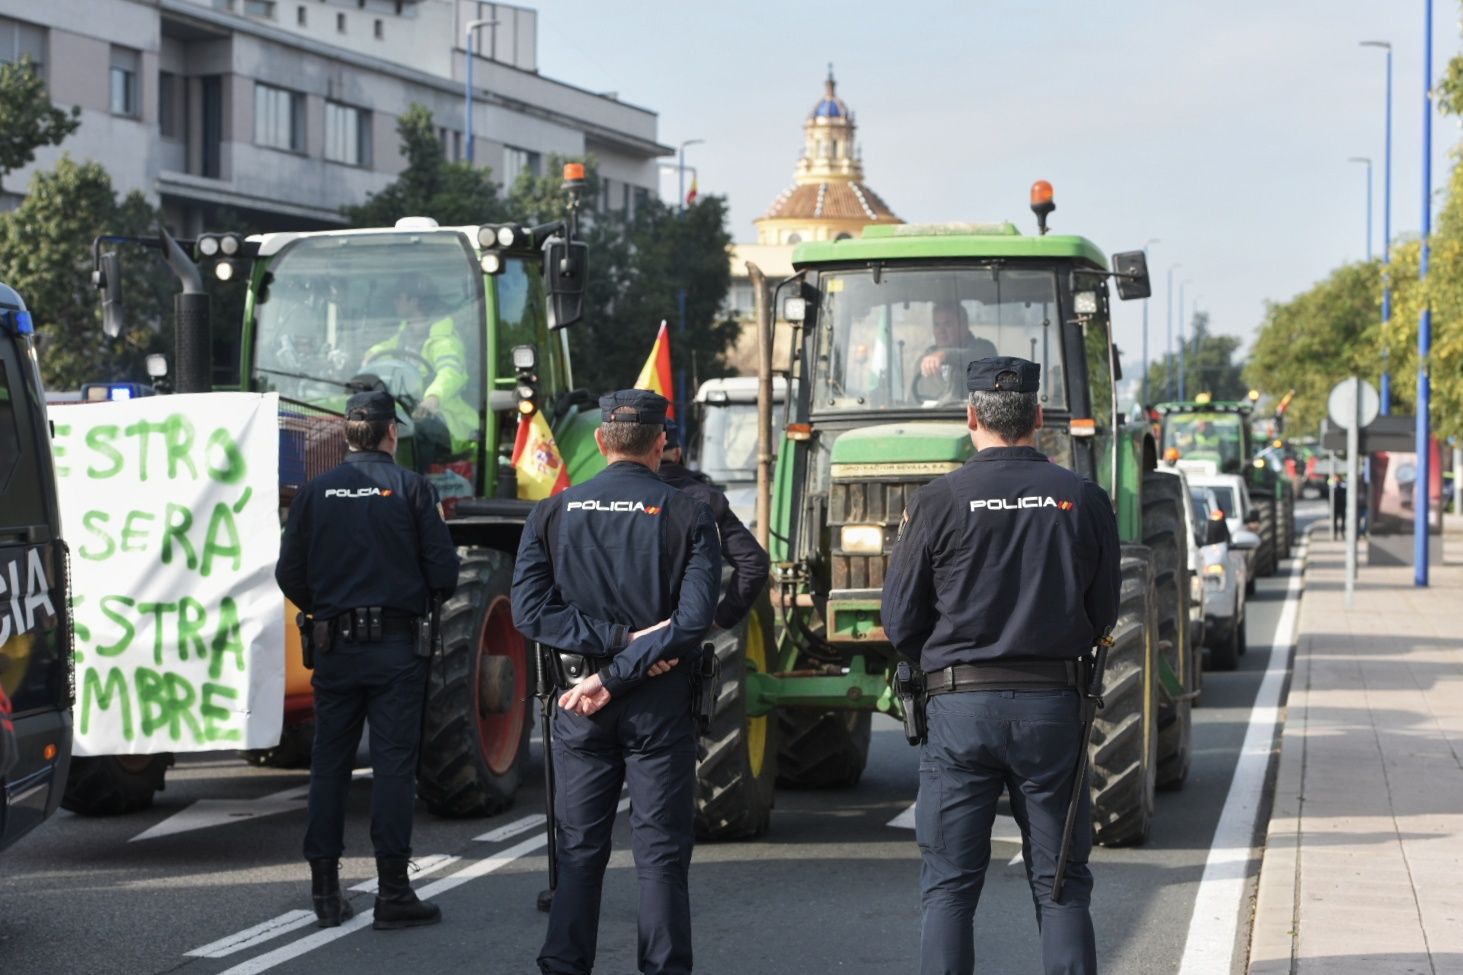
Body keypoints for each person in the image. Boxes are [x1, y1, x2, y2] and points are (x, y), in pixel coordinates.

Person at [883, 356, 1121, 975]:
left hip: (959, 710)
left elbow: (901, 620)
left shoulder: (936, 502)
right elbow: (1103, 614)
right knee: (1061, 883)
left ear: (970, 418)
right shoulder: (1084, 498)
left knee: (950, 889)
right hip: (1052, 709)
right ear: (1038, 417)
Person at [511, 389, 722, 975]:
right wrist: (629, 651)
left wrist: (606, 663)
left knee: (578, 852)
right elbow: (692, 622)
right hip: (659, 705)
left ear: (601, 443)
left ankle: (564, 965)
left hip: (580, 701)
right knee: (660, 856)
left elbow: (529, 614)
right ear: (661, 443)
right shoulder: (688, 513)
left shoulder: (553, 511)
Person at [275, 389, 460, 931]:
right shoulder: (412, 488)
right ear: (391, 433)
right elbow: (444, 573)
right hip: (398, 649)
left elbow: (289, 573)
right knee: (394, 767)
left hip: (335, 650)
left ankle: (326, 894)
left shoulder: (314, 492)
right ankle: (394, 894)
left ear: (347, 434)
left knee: (329, 767)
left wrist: (327, 609)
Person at [657, 417, 771, 632]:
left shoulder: (594, 499)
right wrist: (721, 620)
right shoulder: (705, 498)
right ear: (678, 454)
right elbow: (754, 563)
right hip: (679, 633)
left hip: (615, 640)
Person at [364, 274, 477, 457]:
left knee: (406, 437)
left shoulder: (444, 339)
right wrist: (373, 352)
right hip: (408, 410)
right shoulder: (405, 332)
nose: (394, 302)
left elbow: (451, 372)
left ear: (414, 301)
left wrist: (433, 398)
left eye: (398, 297)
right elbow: (388, 346)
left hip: (444, 418)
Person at [917, 302, 999, 382]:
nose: (941, 331)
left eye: (947, 324)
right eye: (937, 325)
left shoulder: (984, 349)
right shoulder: (928, 355)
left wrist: (944, 355)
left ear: (964, 326)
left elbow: (976, 357)